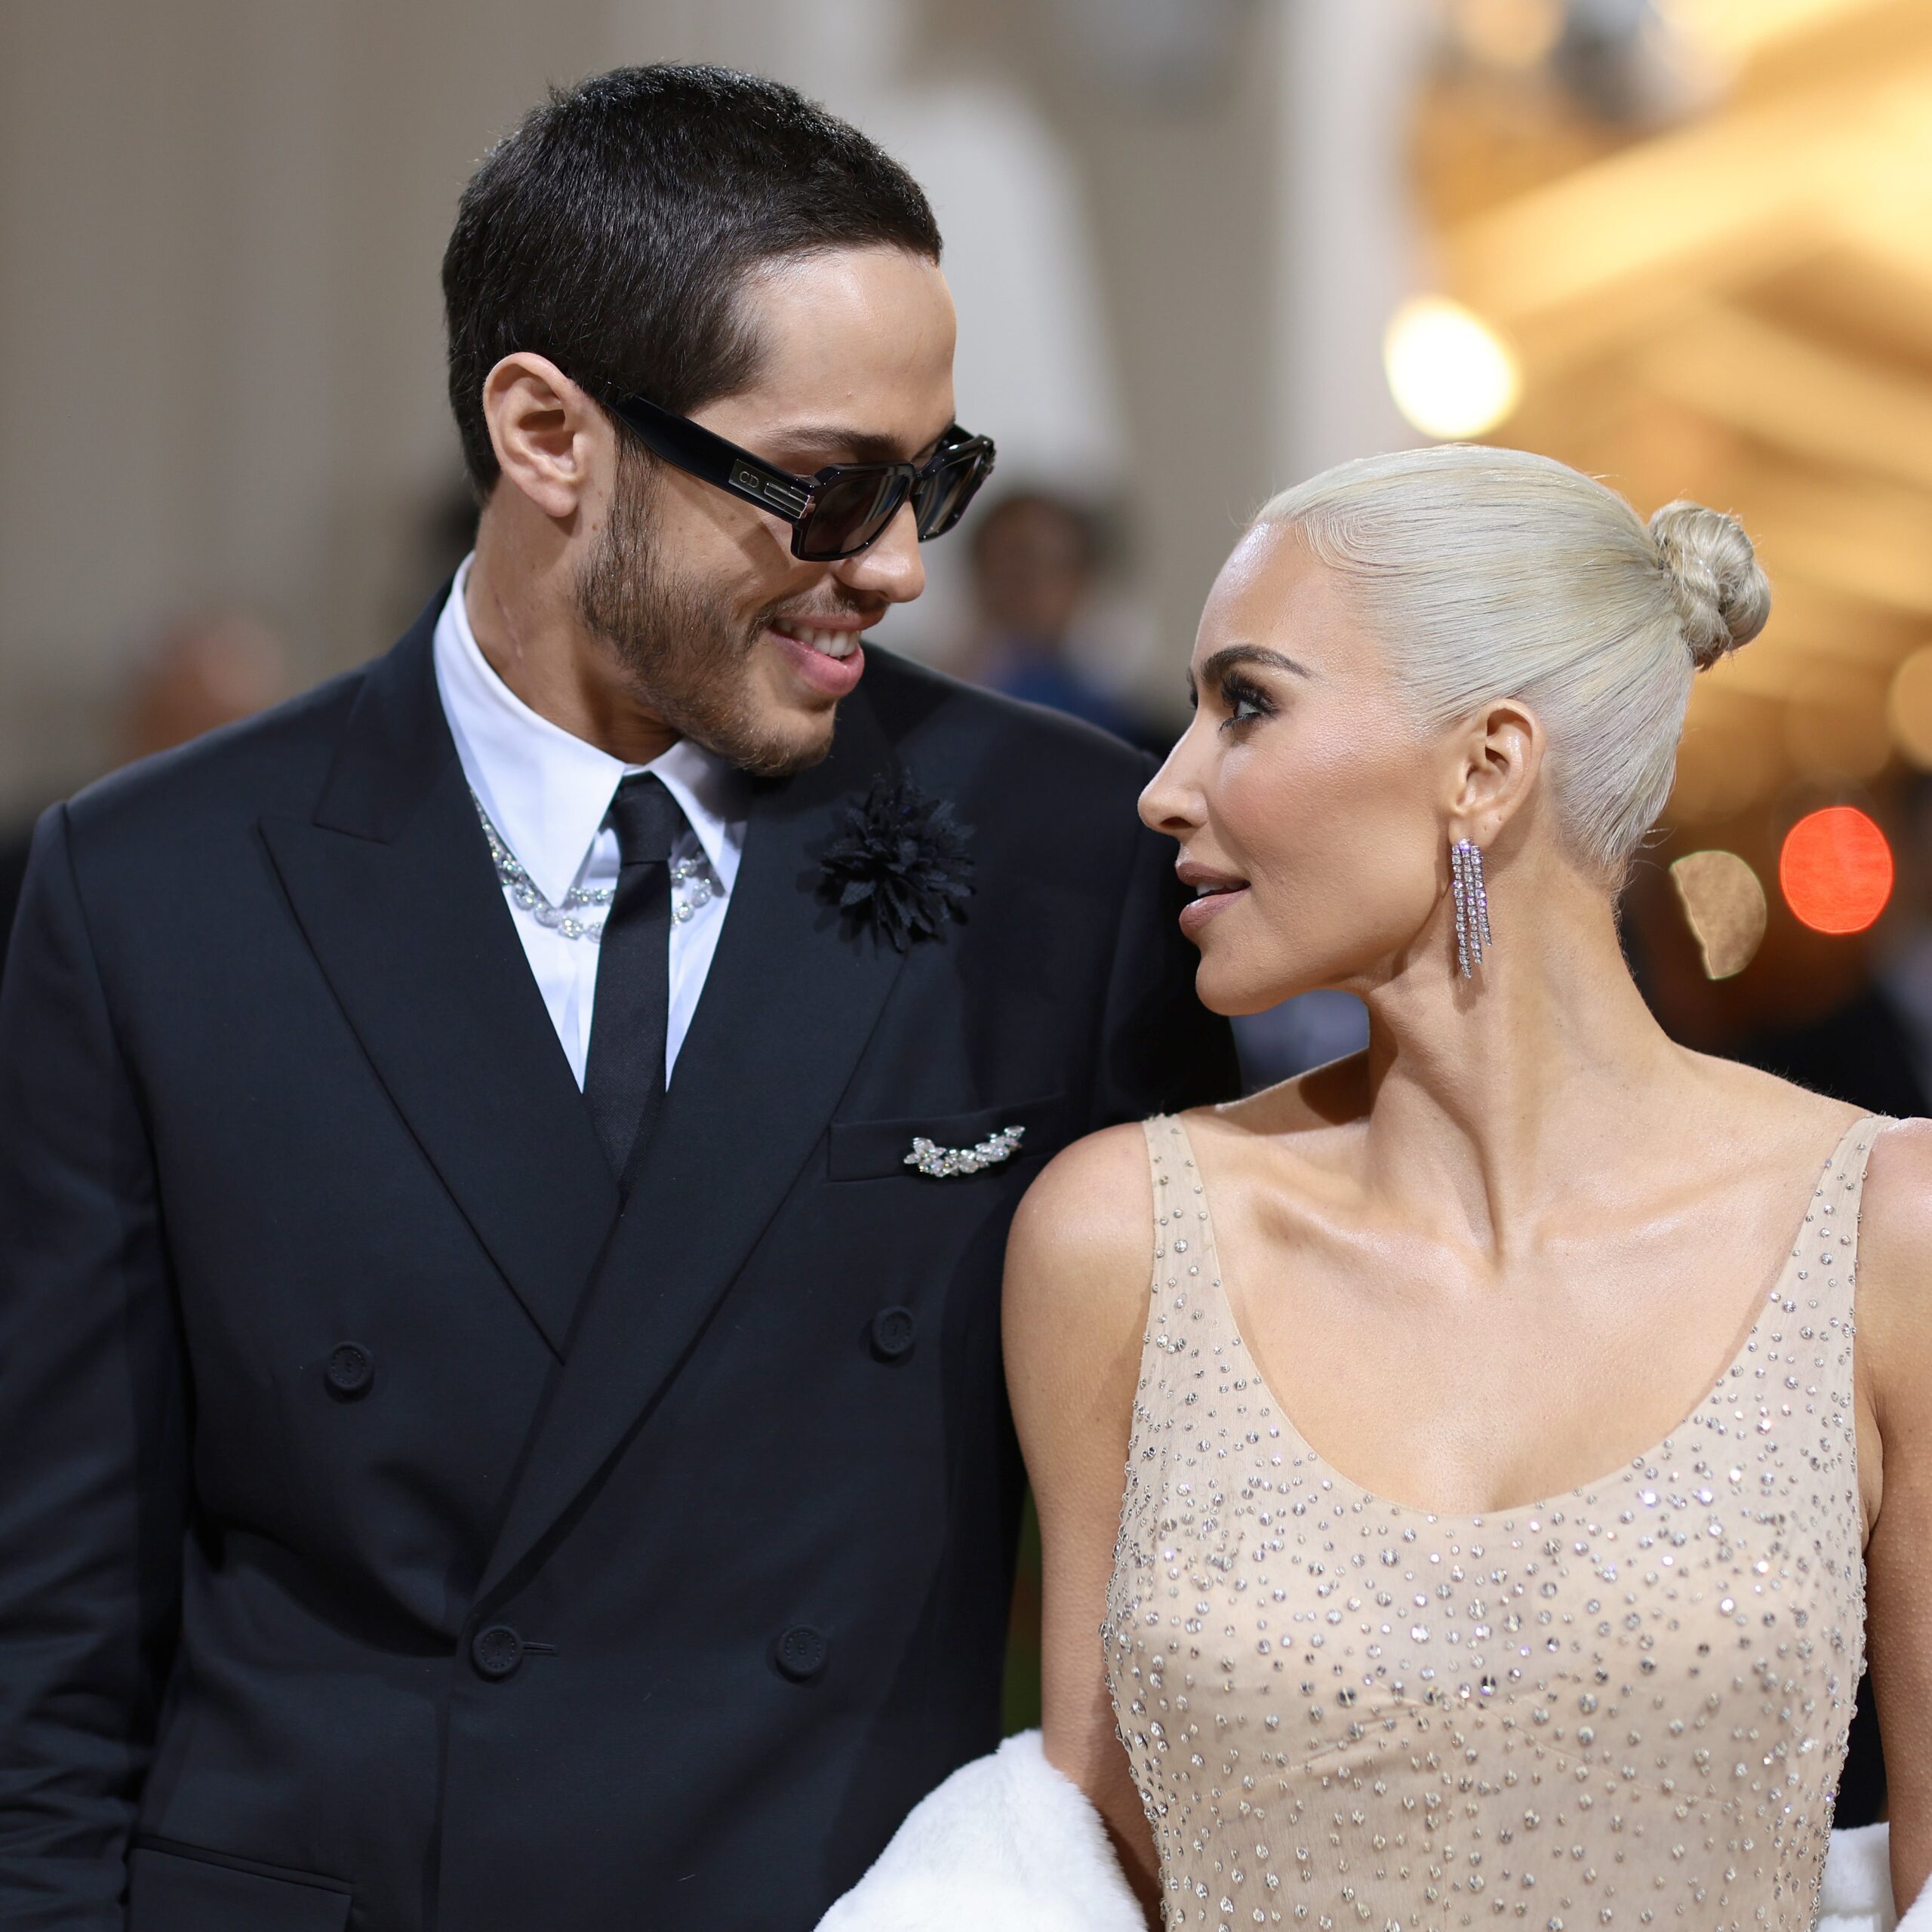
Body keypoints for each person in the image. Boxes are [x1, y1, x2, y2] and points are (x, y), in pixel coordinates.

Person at [0, 65, 1235, 1932]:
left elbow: (1186, 1566)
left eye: (932, 479)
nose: (897, 565)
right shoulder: (152, 888)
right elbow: (53, 1624)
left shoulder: (1065, 856)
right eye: (828, 486)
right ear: (546, 434)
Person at [995, 448, 1932, 1927]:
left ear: (1485, 766)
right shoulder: (1120, 1237)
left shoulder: (1889, 1232)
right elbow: (1078, 1878)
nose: (1164, 788)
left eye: (1247, 704)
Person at [0, 610, 290, 970]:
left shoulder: (297, 876)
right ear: (130, 728)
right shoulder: (37, 869)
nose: (203, 760)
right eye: (182, 725)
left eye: (236, 736)